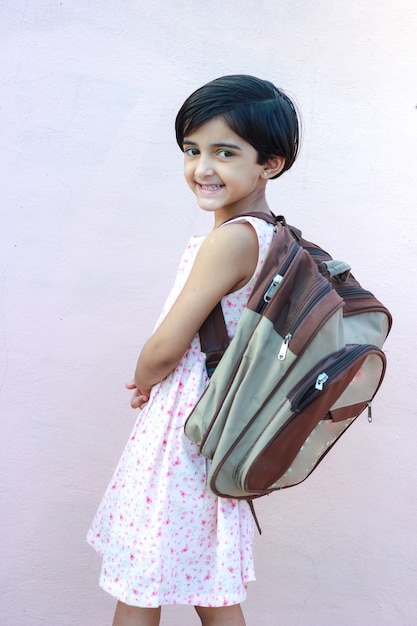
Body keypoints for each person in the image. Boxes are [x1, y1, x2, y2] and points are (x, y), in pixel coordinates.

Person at [87, 74, 300, 626]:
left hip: (184, 429)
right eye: (192, 150)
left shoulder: (230, 238)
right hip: (218, 422)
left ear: (268, 164)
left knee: (140, 577)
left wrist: (144, 376)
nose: (202, 168)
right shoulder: (272, 233)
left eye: (224, 152)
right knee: (211, 582)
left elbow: (167, 345)